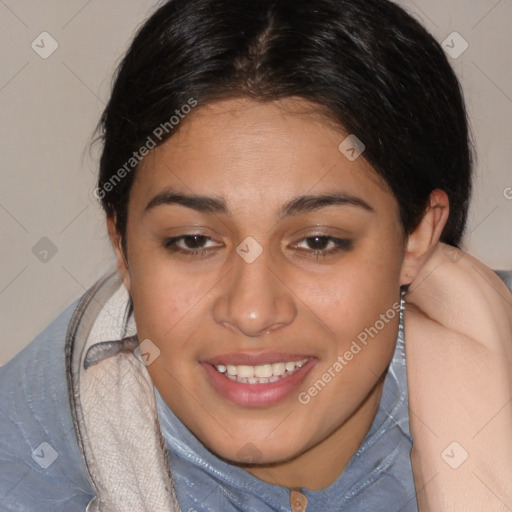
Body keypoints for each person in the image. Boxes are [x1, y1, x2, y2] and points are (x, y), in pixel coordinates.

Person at [1, 0, 511, 510]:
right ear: (123, 245)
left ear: (419, 235)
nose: (251, 311)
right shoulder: (30, 456)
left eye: (317, 241)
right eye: (194, 241)